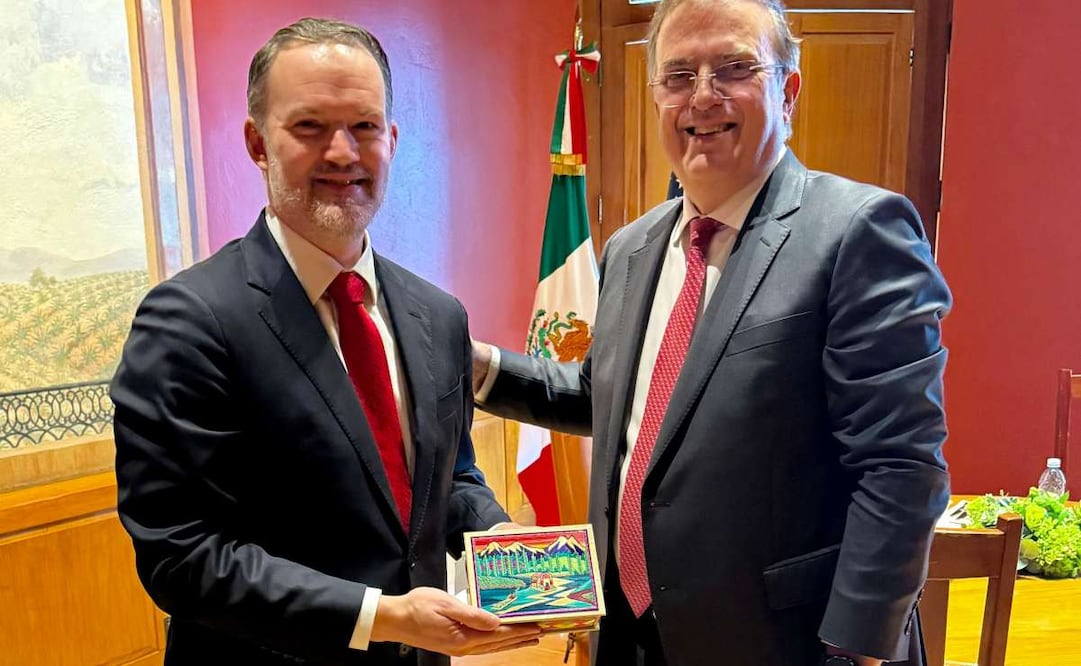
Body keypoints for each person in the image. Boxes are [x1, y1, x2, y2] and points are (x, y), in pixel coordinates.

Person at [472, 1, 951, 664]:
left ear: (787, 91)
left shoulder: (857, 232)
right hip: (635, 634)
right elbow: (601, 397)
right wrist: (477, 368)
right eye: (677, 76)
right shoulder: (629, 248)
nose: (702, 95)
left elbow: (898, 465)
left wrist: (857, 649)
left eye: (732, 68)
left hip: (791, 645)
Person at [111, 17, 540, 666]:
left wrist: (504, 540)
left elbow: (448, 478)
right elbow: (182, 555)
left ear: (391, 140)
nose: (342, 152)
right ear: (258, 143)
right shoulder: (189, 323)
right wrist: (381, 616)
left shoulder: (438, 315)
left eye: (365, 126)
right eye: (310, 126)